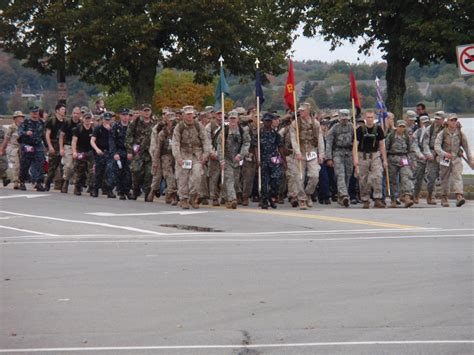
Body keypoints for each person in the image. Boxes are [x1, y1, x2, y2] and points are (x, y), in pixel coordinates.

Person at [172, 105, 210, 209]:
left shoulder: (199, 126)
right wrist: (178, 157)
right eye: (187, 114)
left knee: (197, 176)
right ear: (183, 115)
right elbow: (175, 144)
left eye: (191, 114)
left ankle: (193, 197)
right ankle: (183, 199)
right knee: (183, 177)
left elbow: (205, 141)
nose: (190, 117)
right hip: (183, 154)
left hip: (196, 155)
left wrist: (205, 154)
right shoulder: (179, 127)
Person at [290, 102, 325, 209]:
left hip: (312, 152)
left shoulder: (316, 124)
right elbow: (293, 139)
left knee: (315, 176)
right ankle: (302, 199)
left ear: (308, 111)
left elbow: (320, 139)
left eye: (303, 110)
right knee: (299, 178)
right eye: (300, 110)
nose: (301, 112)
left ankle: (308, 193)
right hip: (300, 153)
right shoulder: (295, 124)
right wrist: (297, 152)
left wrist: (321, 154)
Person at [434, 113, 473, 207]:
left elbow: (467, 147)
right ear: (447, 122)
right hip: (445, 158)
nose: (454, 122)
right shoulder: (442, 133)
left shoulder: (460, 133)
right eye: (452, 120)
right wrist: (444, 154)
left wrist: (471, 160)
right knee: (445, 178)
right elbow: (437, 146)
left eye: (455, 120)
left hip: (456, 158)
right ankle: (444, 197)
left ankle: (459, 196)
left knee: (458, 177)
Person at [216, 110, 250, 209]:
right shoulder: (224, 131)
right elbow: (219, 145)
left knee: (235, 180)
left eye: (234, 118)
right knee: (229, 178)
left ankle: (226, 197)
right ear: (228, 119)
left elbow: (247, 143)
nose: (232, 120)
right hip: (227, 158)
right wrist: (221, 159)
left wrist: (241, 154)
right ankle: (232, 199)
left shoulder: (242, 131)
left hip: (237, 159)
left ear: (237, 119)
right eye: (231, 118)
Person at [353, 110, 387, 209]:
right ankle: (365, 200)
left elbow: (382, 145)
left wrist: (384, 160)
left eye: (371, 117)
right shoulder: (359, 130)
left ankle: (377, 199)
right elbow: (355, 146)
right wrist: (355, 160)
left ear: (374, 118)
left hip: (375, 155)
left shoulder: (378, 129)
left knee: (377, 176)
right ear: (365, 118)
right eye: (368, 117)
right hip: (362, 156)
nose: (370, 119)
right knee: (363, 178)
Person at [386, 120, 422, 208]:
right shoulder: (391, 136)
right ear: (396, 127)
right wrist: (385, 160)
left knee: (406, 177)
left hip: (404, 158)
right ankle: (394, 199)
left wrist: (412, 161)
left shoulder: (407, 137)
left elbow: (411, 149)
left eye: (403, 127)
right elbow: (385, 148)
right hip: (392, 159)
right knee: (393, 180)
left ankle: (407, 198)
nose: (401, 128)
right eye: (400, 126)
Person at [125, 104, 155, 201]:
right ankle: (136, 190)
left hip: (150, 152)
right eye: (145, 111)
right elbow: (129, 137)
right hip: (138, 151)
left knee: (149, 174)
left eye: (148, 110)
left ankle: (147, 193)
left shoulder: (155, 123)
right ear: (141, 112)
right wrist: (130, 150)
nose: (147, 113)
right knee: (136, 172)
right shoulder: (135, 122)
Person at [257, 112, 286, 209]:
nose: (268, 123)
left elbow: (280, 147)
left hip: (274, 159)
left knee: (276, 179)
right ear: (263, 121)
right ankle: (264, 200)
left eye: (270, 121)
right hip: (264, 159)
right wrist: (258, 159)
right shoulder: (259, 133)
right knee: (264, 182)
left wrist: (284, 160)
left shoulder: (276, 134)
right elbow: (255, 147)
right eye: (266, 121)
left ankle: (271, 196)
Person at [325, 109, 354, 207]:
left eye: (346, 119)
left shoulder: (352, 127)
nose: (345, 121)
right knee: (340, 174)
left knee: (348, 175)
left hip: (349, 153)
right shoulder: (334, 128)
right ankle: (345, 195)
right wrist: (329, 157)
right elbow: (328, 142)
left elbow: (356, 142)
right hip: (337, 153)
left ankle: (341, 196)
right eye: (343, 119)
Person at [150, 111, 177, 205]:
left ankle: (171, 194)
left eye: (173, 121)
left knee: (173, 176)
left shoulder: (177, 131)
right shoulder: (162, 133)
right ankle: (154, 191)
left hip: (176, 156)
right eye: (170, 121)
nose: (172, 122)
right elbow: (157, 148)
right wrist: (155, 160)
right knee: (163, 175)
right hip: (165, 155)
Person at [18, 106, 46, 191]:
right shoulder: (25, 122)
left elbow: (44, 135)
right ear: (30, 113)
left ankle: (39, 183)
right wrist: (26, 132)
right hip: (27, 145)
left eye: (36, 112)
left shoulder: (41, 122)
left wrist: (47, 146)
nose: (35, 113)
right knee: (25, 164)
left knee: (40, 164)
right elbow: (19, 132)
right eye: (33, 112)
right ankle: (22, 182)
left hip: (38, 145)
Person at [109, 108, 132, 200]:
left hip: (129, 151)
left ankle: (127, 190)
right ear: (120, 116)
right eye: (123, 115)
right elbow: (112, 141)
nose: (125, 117)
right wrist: (114, 153)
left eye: (127, 115)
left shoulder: (131, 126)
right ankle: (120, 191)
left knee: (128, 173)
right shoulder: (116, 126)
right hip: (119, 151)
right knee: (119, 172)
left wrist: (132, 151)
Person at [58, 106, 82, 193]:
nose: (75, 115)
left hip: (79, 147)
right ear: (72, 114)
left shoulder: (81, 123)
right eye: (74, 113)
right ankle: (65, 181)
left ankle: (77, 185)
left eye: (77, 114)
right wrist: (61, 148)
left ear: (80, 115)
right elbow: (61, 136)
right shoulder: (67, 123)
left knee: (78, 166)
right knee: (68, 166)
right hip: (68, 146)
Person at [90, 112, 113, 198]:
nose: (107, 121)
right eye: (105, 119)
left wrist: (110, 130)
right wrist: (97, 149)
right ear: (102, 120)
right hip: (100, 152)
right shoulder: (98, 128)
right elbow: (92, 140)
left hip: (110, 152)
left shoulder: (113, 129)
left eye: (108, 120)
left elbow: (117, 139)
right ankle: (95, 189)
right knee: (99, 172)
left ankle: (109, 190)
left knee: (109, 172)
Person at [44, 103, 66, 191]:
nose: (64, 111)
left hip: (63, 144)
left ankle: (62, 185)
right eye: (62, 109)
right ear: (57, 110)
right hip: (54, 143)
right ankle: (47, 183)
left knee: (63, 166)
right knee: (53, 166)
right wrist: (50, 146)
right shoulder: (51, 121)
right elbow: (47, 134)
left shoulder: (65, 122)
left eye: (64, 109)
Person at [425, 111, 445, 205]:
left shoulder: (447, 128)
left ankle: (444, 197)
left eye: (439, 119)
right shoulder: (430, 128)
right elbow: (425, 143)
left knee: (444, 176)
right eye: (435, 118)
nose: (436, 120)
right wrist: (428, 153)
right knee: (431, 177)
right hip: (432, 153)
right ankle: (430, 195)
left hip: (443, 154)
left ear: (443, 119)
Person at [71, 113, 94, 196]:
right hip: (81, 151)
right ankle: (77, 187)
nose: (87, 120)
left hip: (91, 151)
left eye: (89, 118)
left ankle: (92, 188)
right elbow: (74, 141)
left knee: (92, 170)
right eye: (86, 118)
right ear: (83, 119)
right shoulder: (78, 129)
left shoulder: (93, 129)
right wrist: (74, 152)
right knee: (80, 169)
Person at [0, 111, 24, 189]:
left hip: (22, 148)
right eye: (19, 117)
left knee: (22, 165)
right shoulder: (11, 128)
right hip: (13, 147)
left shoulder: (24, 127)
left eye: (22, 117)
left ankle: (21, 180)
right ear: (15, 118)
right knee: (16, 164)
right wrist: (2, 149)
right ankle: (16, 182)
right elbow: (6, 139)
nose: (21, 118)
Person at [412, 115, 432, 203]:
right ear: (420, 123)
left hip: (431, 157)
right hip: (420, 158)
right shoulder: (417, 133)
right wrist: (420, 155)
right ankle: (415, 195)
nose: (425, 124)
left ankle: (431, 196)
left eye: (427, 122)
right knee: (418, 178)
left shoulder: (432, 131)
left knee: (432, 177)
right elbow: (414, 145)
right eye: (423, 122)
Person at [206, 109, 224, 206]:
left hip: (225, 155)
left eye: (222, 114)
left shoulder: (226, 126)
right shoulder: (210, 126)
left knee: (225, 176)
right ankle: (214, 197)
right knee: (214, 177)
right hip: (214, 153)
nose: (220, 116)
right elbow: (207, 139)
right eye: (218, 114)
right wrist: (210, 152)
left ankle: (224, 196)